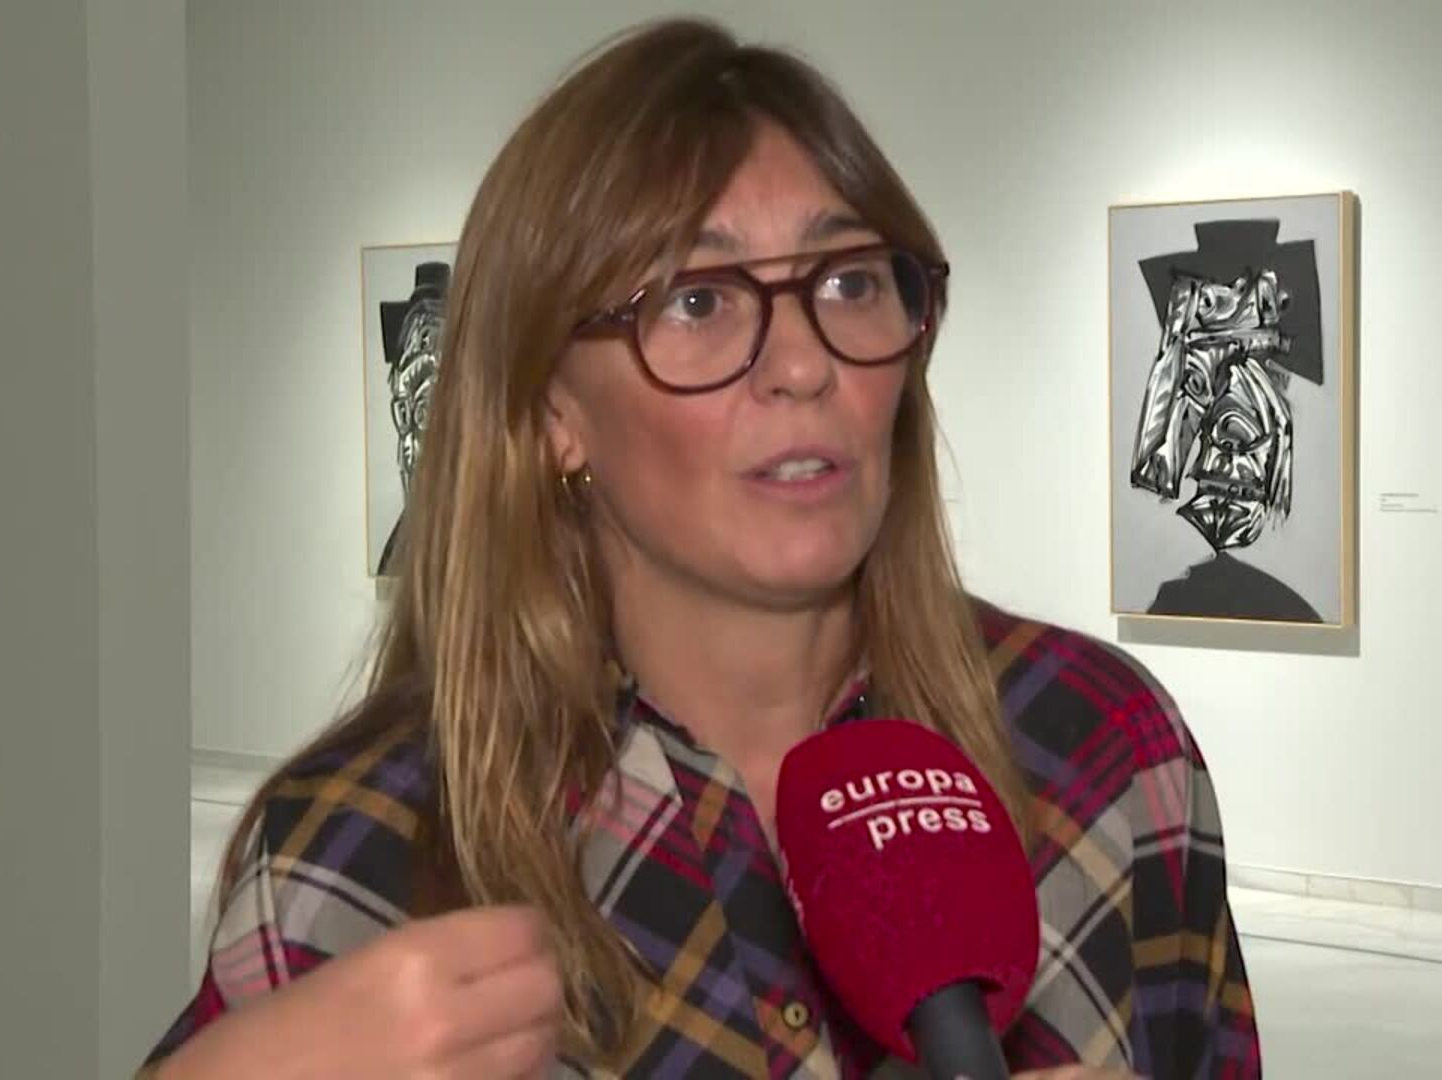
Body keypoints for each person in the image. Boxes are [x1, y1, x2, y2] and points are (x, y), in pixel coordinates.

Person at [143, 17, 1260, 1080]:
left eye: (849, 283)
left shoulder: (1101, 750)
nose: (803, 366)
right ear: (552, 410)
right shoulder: (366, 857)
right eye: (698, 300)